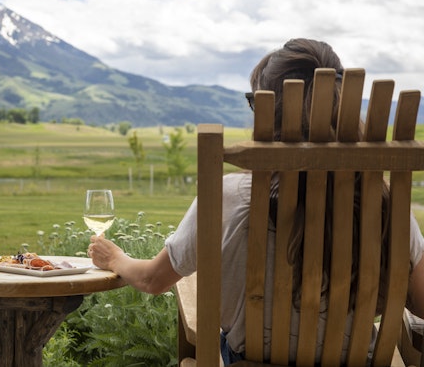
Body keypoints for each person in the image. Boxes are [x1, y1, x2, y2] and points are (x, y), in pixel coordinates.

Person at [87, 38, 424, 365]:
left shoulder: (229, 196)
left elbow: (152, 280)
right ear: (343, 105)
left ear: (268, 111)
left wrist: (116, 258)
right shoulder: (383, 203)